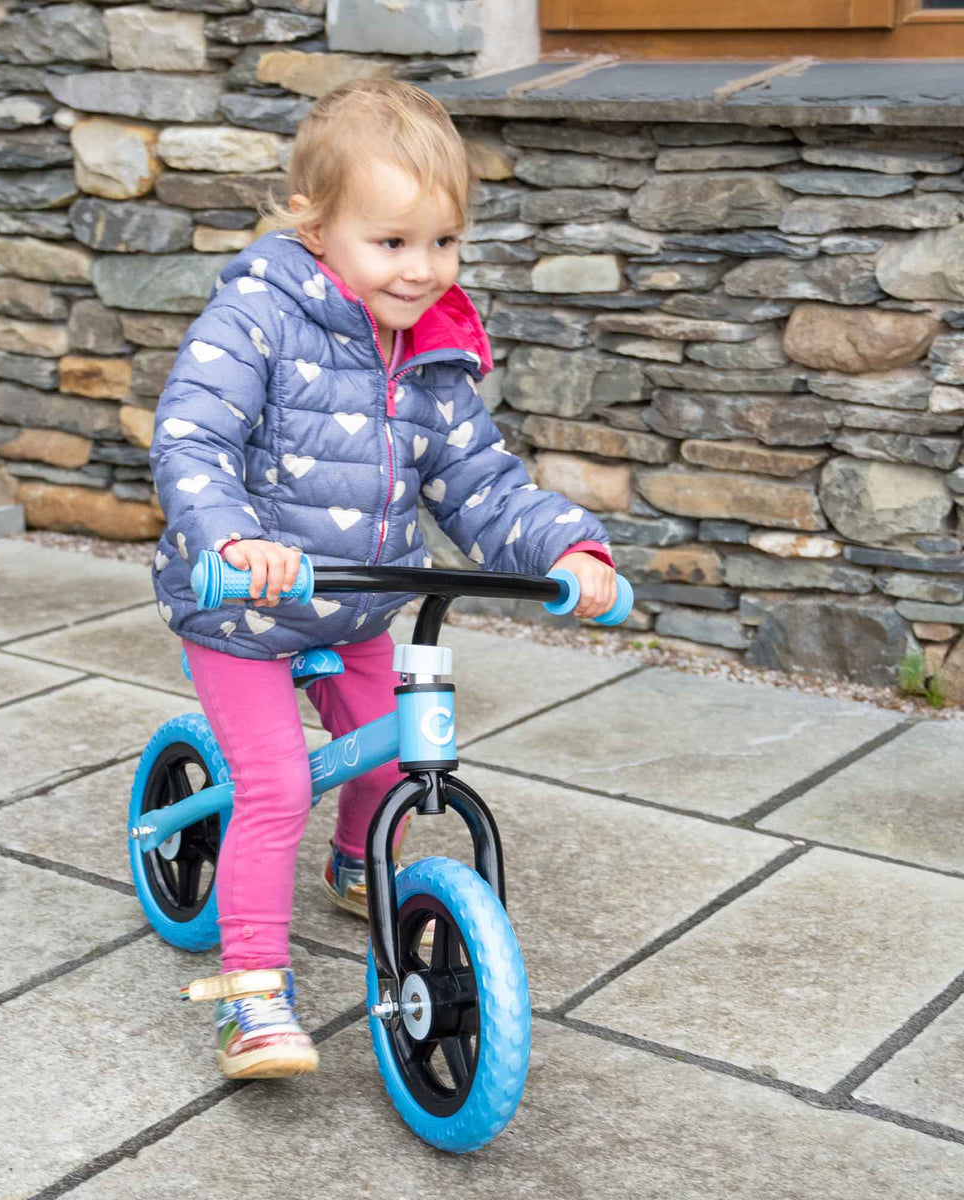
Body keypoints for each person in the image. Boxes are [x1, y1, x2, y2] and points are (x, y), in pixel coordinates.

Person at [150, 79, 616, 1080]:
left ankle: (360, 862)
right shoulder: (260, 321)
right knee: (273, 785)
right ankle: (253, 998)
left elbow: (482, 483)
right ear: (316, 227)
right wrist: (232, 543)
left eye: (442, 243)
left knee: (391, 759)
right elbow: (193, 438)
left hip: (356, 602)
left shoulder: (434, 351)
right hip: (239, 610)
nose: (421, 270)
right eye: (393, 243)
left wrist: (566, 552)